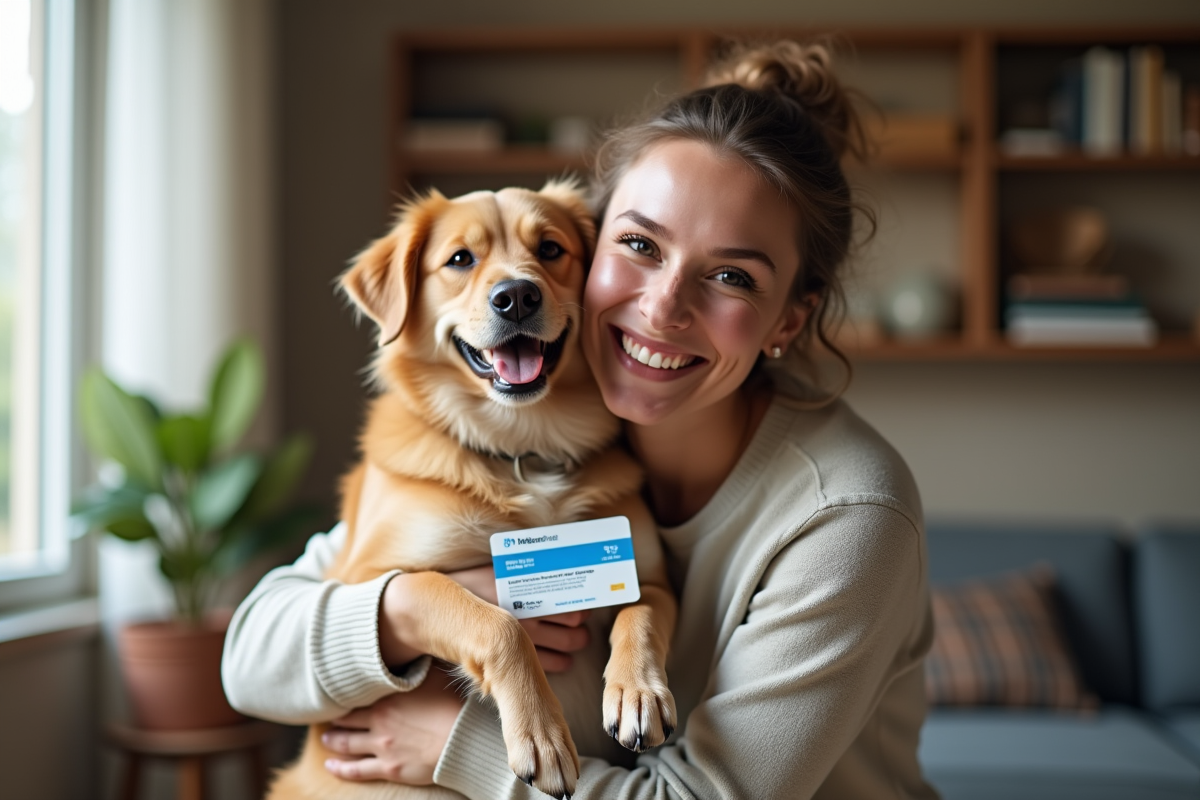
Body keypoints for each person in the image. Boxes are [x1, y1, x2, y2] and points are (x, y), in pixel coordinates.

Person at [223, 40, 939, 800]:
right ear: (596, 258)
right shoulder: (531, 430)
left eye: (731, 276)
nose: (662, 309)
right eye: (638, 245)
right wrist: (413, 611)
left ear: (788, 321)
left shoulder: (849, 516)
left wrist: (448, 744)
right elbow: (252, 659)